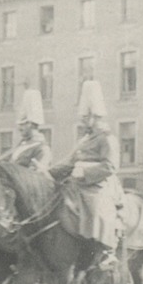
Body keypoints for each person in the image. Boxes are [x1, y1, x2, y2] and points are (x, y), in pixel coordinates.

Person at [58, 80, 122, 273]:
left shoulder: (107, 138)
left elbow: (110, 166)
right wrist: (47, 172)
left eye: (86, 117)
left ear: (96, 117)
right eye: (83, 117)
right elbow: (68, 162)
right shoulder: (84, 140)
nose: (83, 121)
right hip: (76, 183)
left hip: (99, 185)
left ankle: (105, 250)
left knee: (97, 209)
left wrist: (85, 171)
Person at [7, 89, 53, 171]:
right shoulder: (21, 145)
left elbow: (34, 176)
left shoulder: (42, 149)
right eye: (19, 124)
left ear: (31, 124)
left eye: (23, 124)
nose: (19, 128)